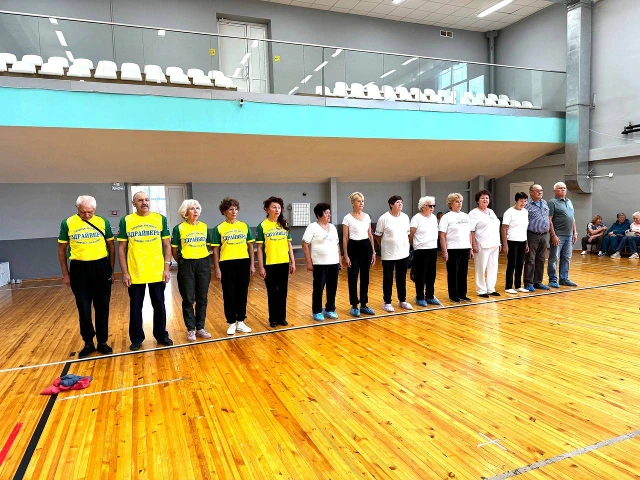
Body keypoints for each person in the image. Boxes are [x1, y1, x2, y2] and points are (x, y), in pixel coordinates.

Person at [58, 195, 115, 358]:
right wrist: (65, 274)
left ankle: (102, 342)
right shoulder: (68, 223)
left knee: (102, 306)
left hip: (101, 267)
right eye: (83, 212)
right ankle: (88, 342)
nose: (87, 215)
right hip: (79, 268)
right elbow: (61, 250)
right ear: (77, 209)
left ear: (95, 209)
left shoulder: (103, 222)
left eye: (90, 212)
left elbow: (111, 247)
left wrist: (111, 271)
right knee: (83, 308)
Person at [118, 191, 173, 351]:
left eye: (147, 199)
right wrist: (125, 272)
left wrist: (166, 268)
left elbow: (167, 245)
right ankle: (136, 338)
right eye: (140, 200)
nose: (144, 202)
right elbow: (121, 248)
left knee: (159, 305)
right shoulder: (126, 220)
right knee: (136, 307)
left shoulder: (160, 219)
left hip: (157, 272)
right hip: (135, 273)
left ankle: (161, 335)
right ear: (134, 203)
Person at [212, 197, 255, 335]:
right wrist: (217, 268)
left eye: (236, 209)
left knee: (242, 292)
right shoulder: (218, 228)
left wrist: (252, 264)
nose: (234, 211)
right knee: (229, 293)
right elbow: (215, 250)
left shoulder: (244, 226)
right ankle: (231, 322)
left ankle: (241, 321)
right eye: (231, 209)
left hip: (243, 262)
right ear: (224, 211)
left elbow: (250, 246)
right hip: (226, 263)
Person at [171, 199, 212, 342]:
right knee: (188, 298)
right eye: (192, 208)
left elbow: (207, 246)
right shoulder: (178, 228)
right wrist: (183, 262)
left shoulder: (204, 227)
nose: (196, 211)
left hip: (203, 264)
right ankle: (190, 329)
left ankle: (200, 327)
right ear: (185, 212)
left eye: (197, 208)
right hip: (186, 264)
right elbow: (174, 250)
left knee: (202, 297)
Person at [256, 196, 296, 328]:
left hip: (283, 263)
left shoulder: (284, 225)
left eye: (279, 207)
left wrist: (293, 262)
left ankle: (282, 317)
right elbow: (259, 248)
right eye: (274, 207)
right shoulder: (262, 226)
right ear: (267, 209)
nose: (277, 209)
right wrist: (261, 266)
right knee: (272, 292)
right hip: (269, 264)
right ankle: (272, 318)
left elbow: (289, 245)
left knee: (283, 291)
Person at [302, 203, 341, 321]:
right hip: (319, 264)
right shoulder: (312, 227)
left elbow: (337, 244)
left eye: (329, 213)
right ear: (319, 214)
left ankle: (330, 309)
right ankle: (317, 311)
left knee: (332, 287)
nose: (329, 215)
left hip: (333, 262)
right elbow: (305, 244)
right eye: (326, 213)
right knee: (318, 288)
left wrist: (339, 259)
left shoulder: (333, 227)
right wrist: (309, 262)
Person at [375, 195, 412, 312]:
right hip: (389, 254)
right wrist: (385, 246)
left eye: (401, 202)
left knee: (401, 278)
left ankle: (402, 300)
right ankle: (387, 302)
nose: (400, 204)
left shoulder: (405, 217)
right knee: (388, 278)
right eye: (397, 202)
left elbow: (408, 234)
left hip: (403, 253)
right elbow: (378, 236)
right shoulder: (383, 218)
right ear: (391, 204)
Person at [342, 192, 376, 317]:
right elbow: (345, 238)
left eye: (362, 201)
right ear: (352, 203)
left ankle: (364, 305)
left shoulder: (367, 217)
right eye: (358, 201)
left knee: (365, 278)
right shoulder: (347, 218)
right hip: (353, 247)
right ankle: (354, 305)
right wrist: (346, 255)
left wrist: (373, 252)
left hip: (366, 247)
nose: (361, 203)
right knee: (353, 277)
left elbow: (370, 235)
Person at [439, 193, 473, 302]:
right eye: (457, 202)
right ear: (451, 204)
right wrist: (444, 251)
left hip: (465, 247)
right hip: (452, 248)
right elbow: (442, 235)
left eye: (460, 201)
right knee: (453, 273)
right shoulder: (446, 217)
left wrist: (470, 248)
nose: (459, 204)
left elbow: (469, 233)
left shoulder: (466, 216)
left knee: (463, 272)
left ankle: (462, 294)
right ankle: (453, 295)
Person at [409, 196, 441, 306]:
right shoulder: (416, 218)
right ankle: (420, 297)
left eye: (433, 206)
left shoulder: (433, 218)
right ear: (423, 207)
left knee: (431, 273)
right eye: (430, 206)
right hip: (421, 249)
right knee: (420, 274)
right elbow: (411, 235)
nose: (432, 208)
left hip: (433, 248)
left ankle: (430, 296)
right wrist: (415, 246)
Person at [469, 190, 501, 298]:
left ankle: (491, 288)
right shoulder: (473, 213)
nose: (485, 200)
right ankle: (481, 290)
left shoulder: (491, 211)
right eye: (482, 198)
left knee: (493, 267)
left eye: (487, 198)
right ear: (478, 200)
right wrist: (473, 245)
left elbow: (496, 228)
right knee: (481, 267)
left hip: (494, 243)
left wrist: (499, 242)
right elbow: (471, 230)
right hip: (482, 244)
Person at [547, 182, 578, 288]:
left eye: (564, 188)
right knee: (554, 258)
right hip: (558, 235)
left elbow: (572, 218)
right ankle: (552, 280)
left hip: (569, 235)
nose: (563, 189)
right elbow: (549, 220)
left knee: (566, 258)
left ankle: (564, 279)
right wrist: (553, 235)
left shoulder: (569, 201)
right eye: (560, 188)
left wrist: (575, 232)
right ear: (555, 191)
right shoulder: (552, 202)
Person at [502, 192, 530, 294]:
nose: (523, 203)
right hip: (512, 241)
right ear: (516, 201)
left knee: (520, 263)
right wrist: (505, 244)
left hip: (522, 240)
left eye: (525, 201)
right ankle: (508, 286)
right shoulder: (509, 212)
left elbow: (525, 228)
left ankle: (518, 285)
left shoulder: (525, 212)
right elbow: (504, 228)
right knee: (512, 263)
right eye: (521, 201)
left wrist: (526, 243)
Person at [524, 184, 550, 291]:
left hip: (544, 235)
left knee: (541, 259)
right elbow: (523, 223)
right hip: (532, 235)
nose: (540, 192)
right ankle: (528, 283)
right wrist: (525, 240)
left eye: (541, 190)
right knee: (530, 259)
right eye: (537, 190)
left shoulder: (544, 203)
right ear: (530, 192)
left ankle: (537, 282)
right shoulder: (527, 205)